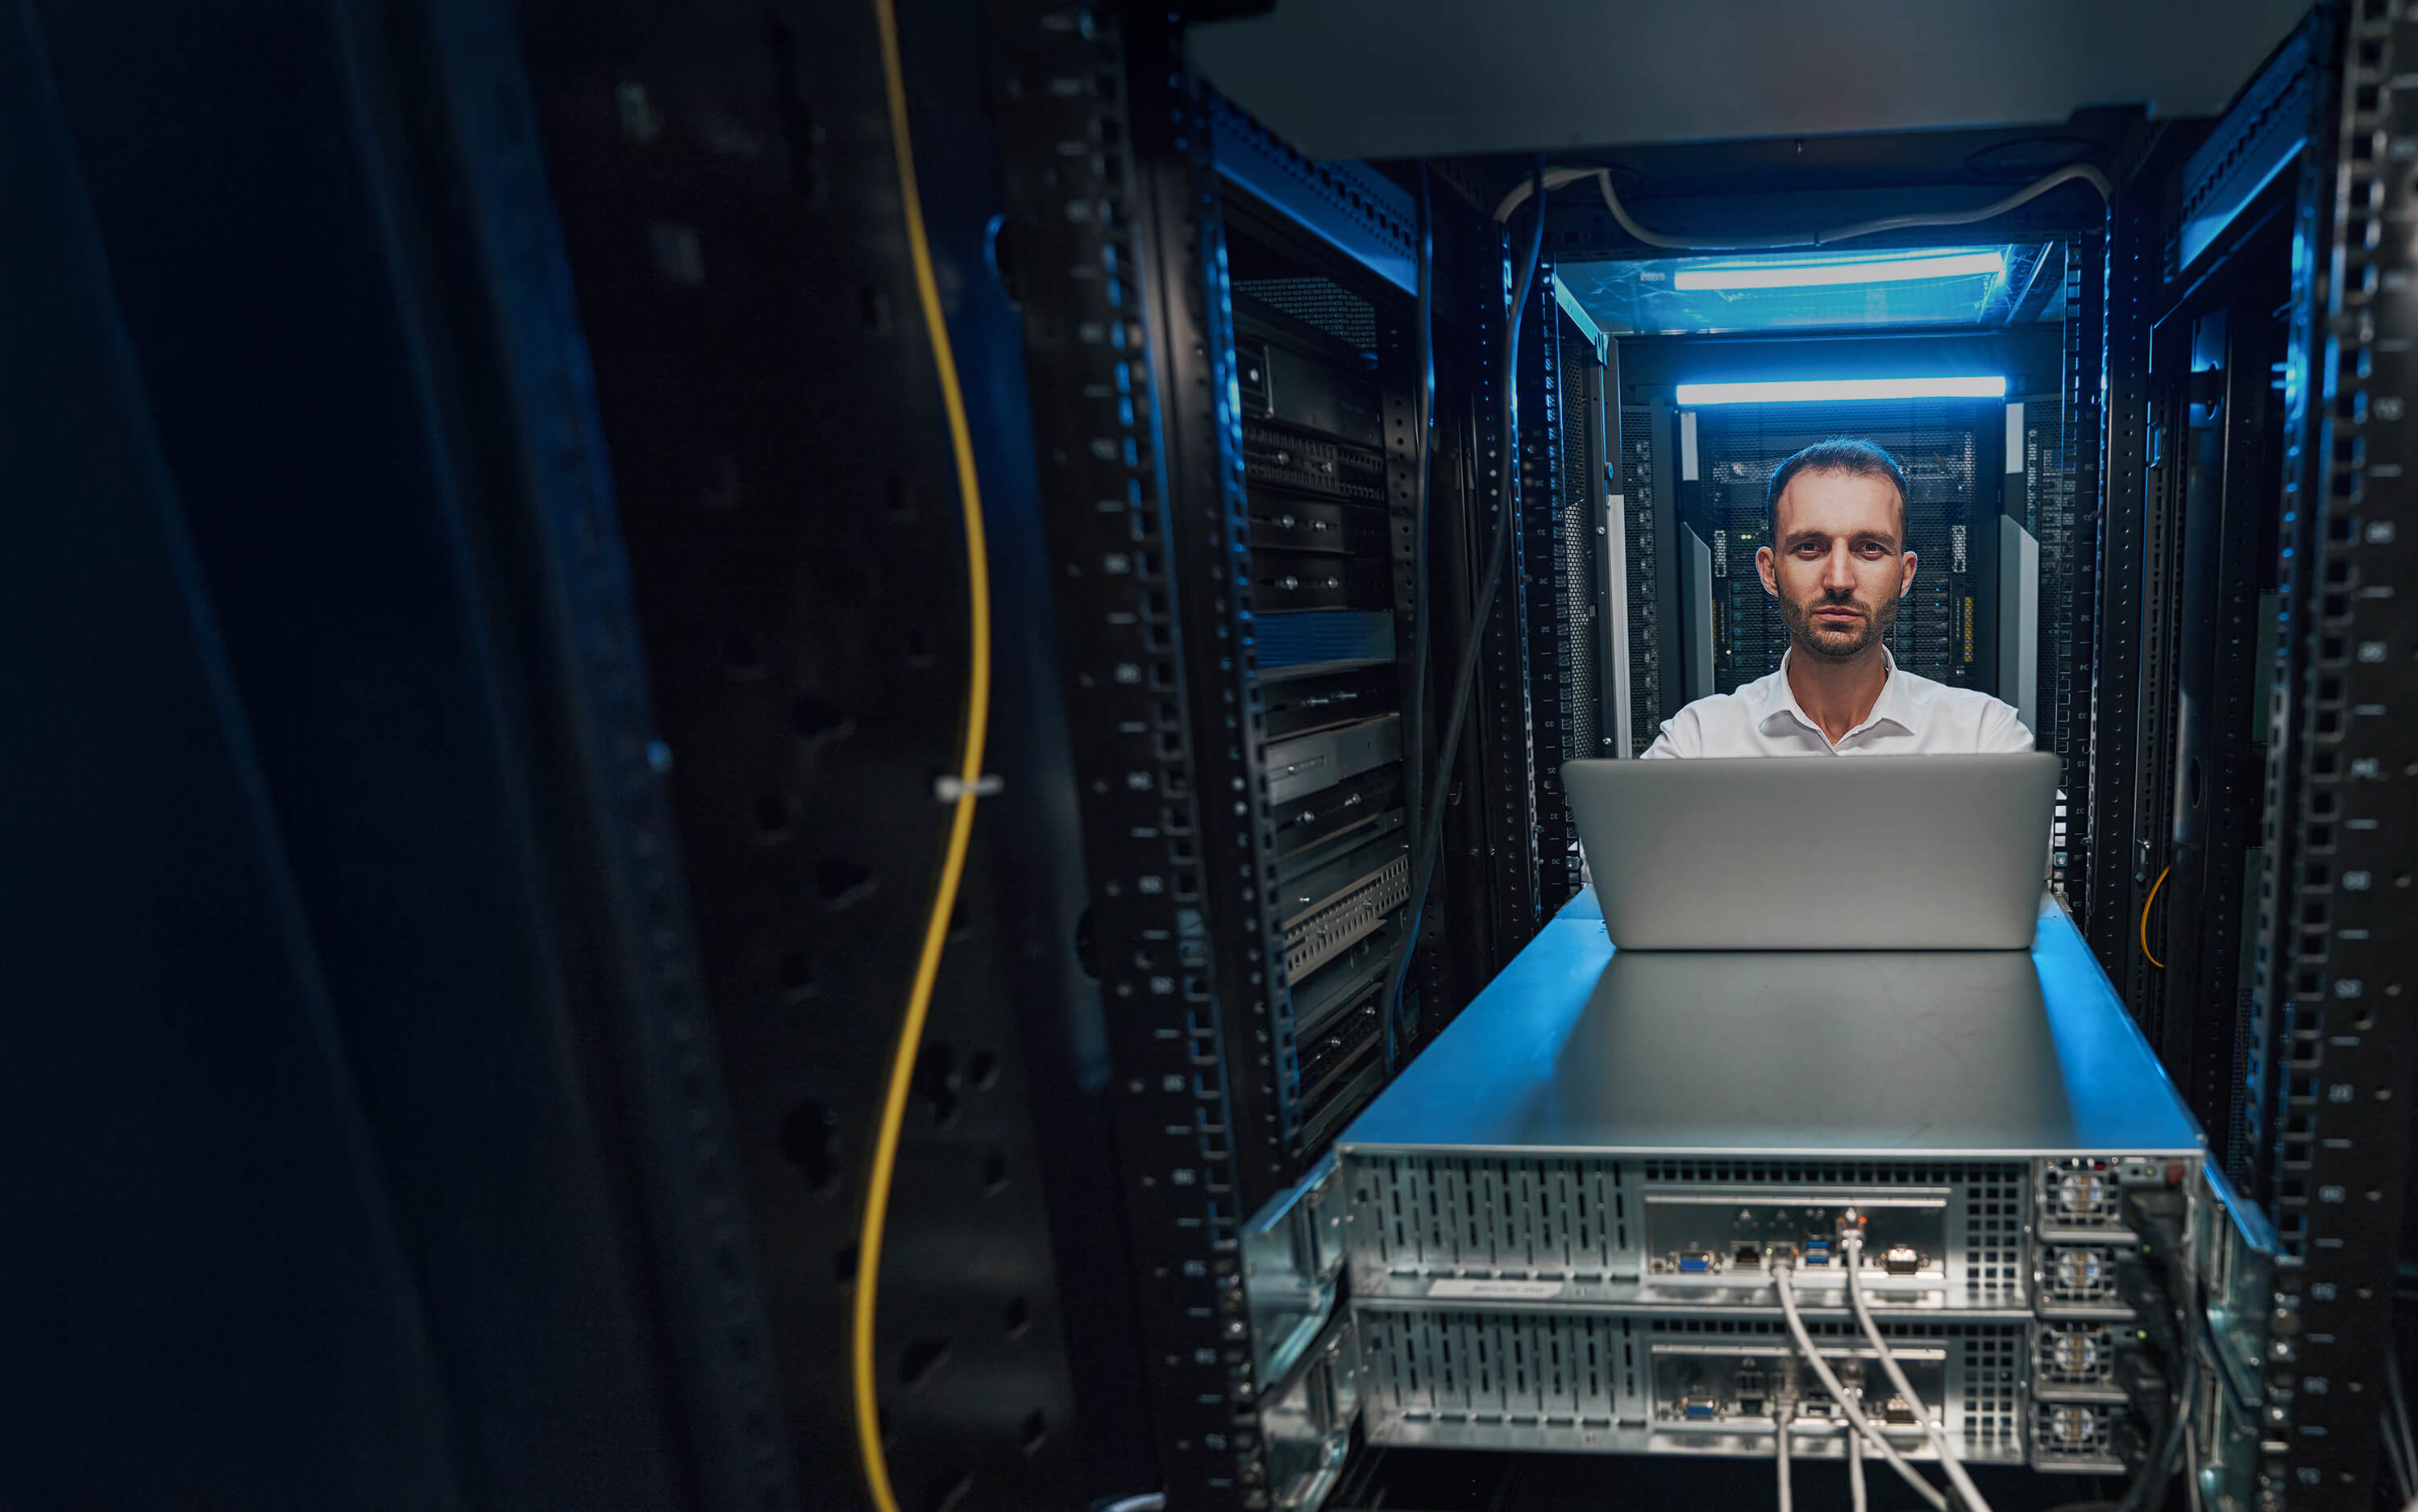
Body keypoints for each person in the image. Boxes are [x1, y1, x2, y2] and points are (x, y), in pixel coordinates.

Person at [1642, 437, 2033, 758]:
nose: (1839, 580)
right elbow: (1618, 854)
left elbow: (2044, 852)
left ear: (1905, 574)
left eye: (1870, 548)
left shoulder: (1985, 738)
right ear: (1768, 570)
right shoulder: (1697, 744)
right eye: (1810, 547)